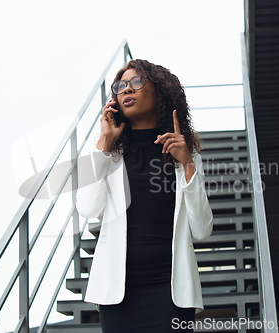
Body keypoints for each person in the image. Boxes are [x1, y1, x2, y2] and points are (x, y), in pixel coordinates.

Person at [76, 59, 214, 333]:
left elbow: (202, 230)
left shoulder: (185, 156)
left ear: (160, 92)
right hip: (118, 295)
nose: (127, 90)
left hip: (172, 291)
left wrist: (187, 165)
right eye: (121, 86)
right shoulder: (109, 156)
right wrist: (104, 144)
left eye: (137, 82)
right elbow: (88, 208)